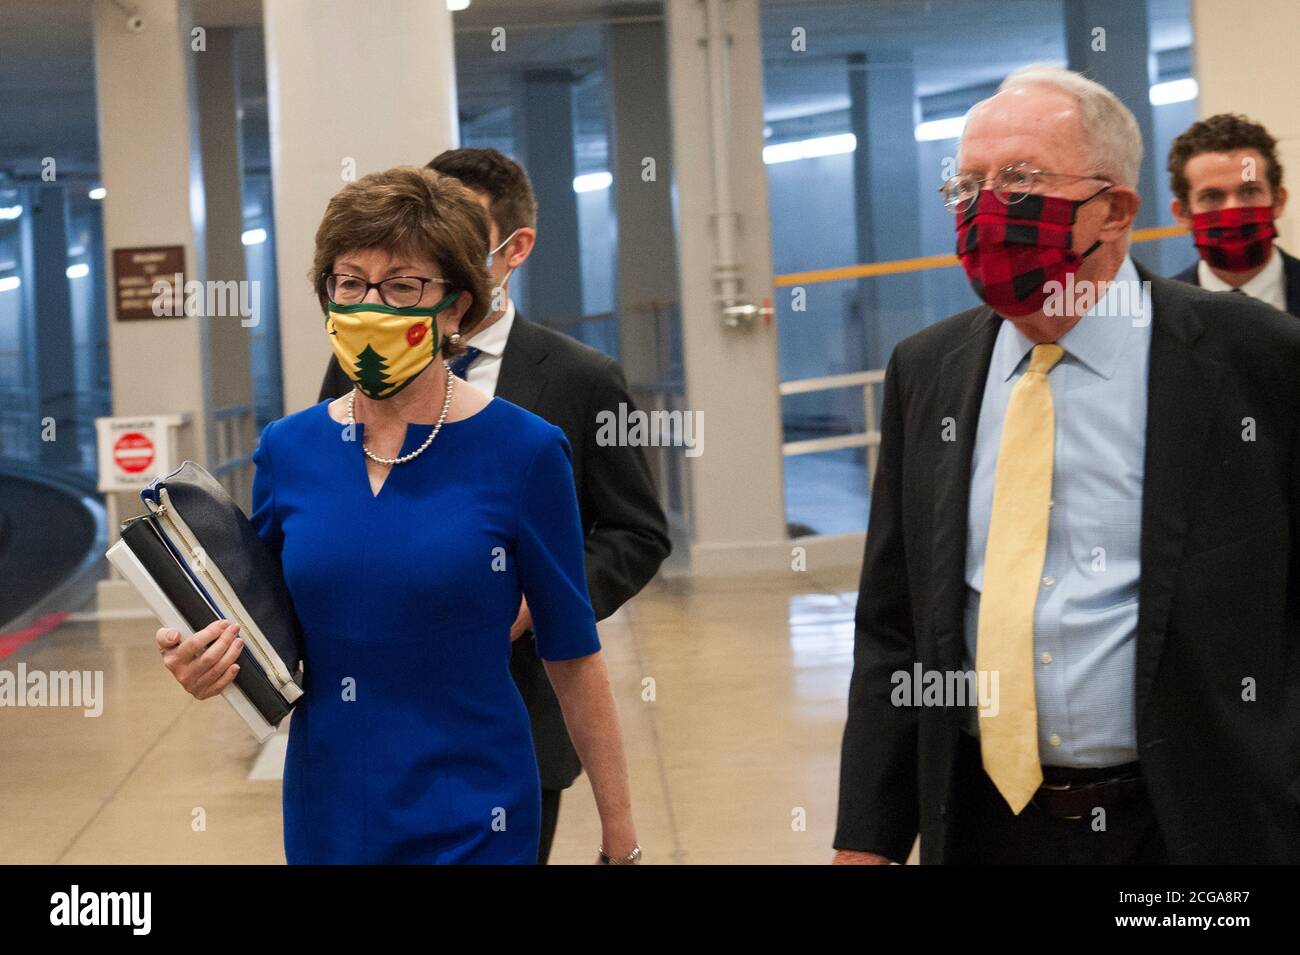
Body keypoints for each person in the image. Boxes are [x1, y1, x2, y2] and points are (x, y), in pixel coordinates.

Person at [833, 66, 1300, 865]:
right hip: (988, 822)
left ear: (1116, 208)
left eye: (1018, 179)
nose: (985, 208)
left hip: (1191, 823)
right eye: (967, 183)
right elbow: (894, 627)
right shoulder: (928, 369)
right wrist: (865, 840)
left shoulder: (1256, 358)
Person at [156, 165, 641, 865]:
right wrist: (206, 663)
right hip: (329, 807)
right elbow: (263, 630)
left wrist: (619, 834)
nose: (370, 307)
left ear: (455, 307)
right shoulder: (289, 450)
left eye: (402, 286)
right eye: (349, 283)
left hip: (478, 809)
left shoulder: (525, 452)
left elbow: (572, 657)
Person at [319, 148, 670, 863]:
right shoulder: (356, 358)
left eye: (459, 234)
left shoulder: (581, 379)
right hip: (374, 714)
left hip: (519, 710)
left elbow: (637, 532)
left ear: (513, 248)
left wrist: (538, 601)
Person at [1168, 113, 1300, 315]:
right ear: (1182, 213)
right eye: (1212, 196)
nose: (1232, 209)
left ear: (1278, 201)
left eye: (1249, 192)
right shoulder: (1159, 313)